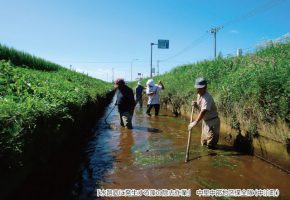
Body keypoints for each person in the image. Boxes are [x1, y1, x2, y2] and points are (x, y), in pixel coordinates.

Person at [188, 77, 220, 149]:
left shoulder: (207, 98)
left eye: (199, 88)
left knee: (210, 145)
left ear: (205, 88)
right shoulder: (199, 94)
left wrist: (195, 122)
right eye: (197, 88)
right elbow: (200, 107)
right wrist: (196, 105)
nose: (197, 91)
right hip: (205, 122)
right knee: (204, 143)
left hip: (212, 122)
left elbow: (203, 111)